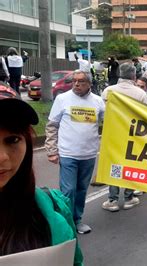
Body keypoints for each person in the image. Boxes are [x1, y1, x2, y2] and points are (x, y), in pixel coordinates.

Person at [0, 83, 83, 265]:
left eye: (13, 140)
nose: (2, 157)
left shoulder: (54, 206)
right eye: (75, 80)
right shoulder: (62, 101)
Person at [44, 70, 105, 235]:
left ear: (90, 84)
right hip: (68, 154)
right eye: (74, 81)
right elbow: (52, 126)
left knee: (81, 190)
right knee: (68, 190)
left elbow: (109, 123)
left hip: (89, 155)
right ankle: (66, 223)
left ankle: (77, 220)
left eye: (81, 81)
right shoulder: (62, 99)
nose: (76, 84)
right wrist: (51, 150)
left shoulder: (98, 102)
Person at [102, 63, 147, 212]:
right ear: (134, 76)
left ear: (118, 74)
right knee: (130, 165)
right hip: (133, 135)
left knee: (115, 166)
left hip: (113, 135)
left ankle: (113, 200)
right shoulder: (140, 93)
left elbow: (103, 114)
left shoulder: (108, 91)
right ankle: (129, 197)